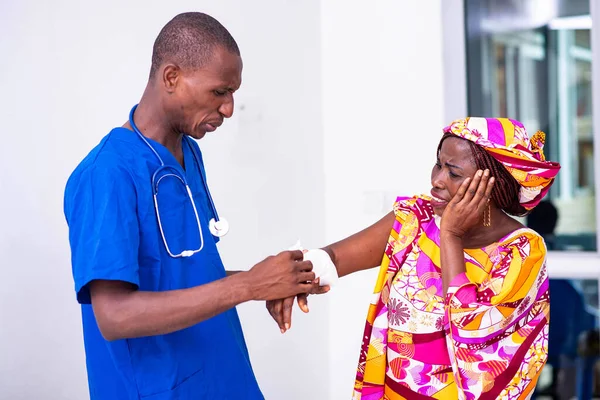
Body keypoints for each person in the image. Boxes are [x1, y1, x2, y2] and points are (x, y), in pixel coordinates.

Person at [63, 12, 324, 400]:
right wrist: (248, 285)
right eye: (219, 92)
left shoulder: (188, 152)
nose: (230, 108)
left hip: (223, 377)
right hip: (159, 388)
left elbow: (180, 273)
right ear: (172, 77)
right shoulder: (109, 173)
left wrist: (269, 279)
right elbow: (114, 315)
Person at [268, 117, 561, 399]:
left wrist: (451, 236)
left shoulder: (522, 250)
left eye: (454, 173)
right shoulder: (416, 217)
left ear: (491, 186)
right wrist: (289, 281)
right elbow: (333, 259)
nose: (436, 180)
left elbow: (474, 332)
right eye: (438, 165)